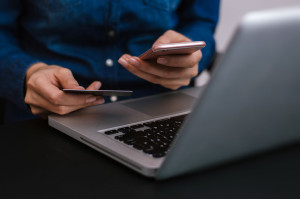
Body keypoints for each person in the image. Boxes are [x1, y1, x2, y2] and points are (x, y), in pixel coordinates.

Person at [0, 0, 220, 123]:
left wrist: (192, 59)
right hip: (46, 117)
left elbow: (201, 22)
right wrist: (29, 72)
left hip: (164, 112)